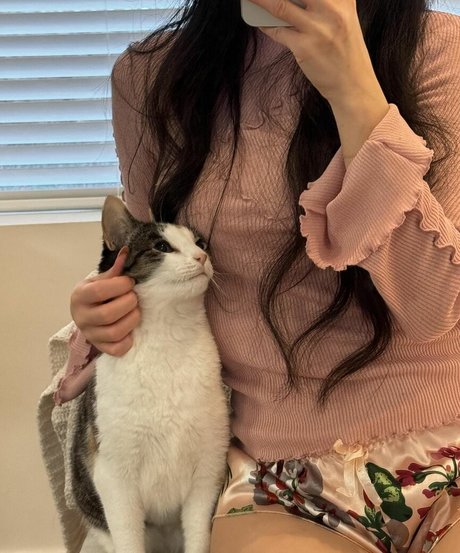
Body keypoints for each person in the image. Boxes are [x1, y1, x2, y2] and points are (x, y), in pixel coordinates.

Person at [38, 0, 460, 551]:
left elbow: (435, 307)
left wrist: (354, 91)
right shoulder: (148, 79)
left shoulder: (441, 51)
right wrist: (107, 308)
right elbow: (150, 252)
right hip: (284, 471)